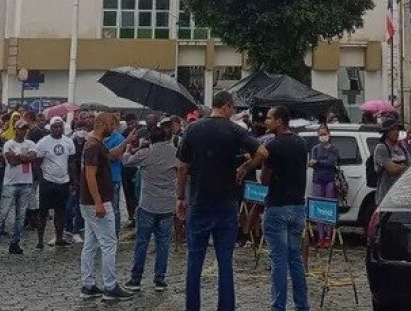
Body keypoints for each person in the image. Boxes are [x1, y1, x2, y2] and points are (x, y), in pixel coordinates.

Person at [176, 91, 260, 311]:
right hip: (226, 202)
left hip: (199, 201)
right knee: (225, 263)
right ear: (227, 106)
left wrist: (180, 197)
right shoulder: (235, 130)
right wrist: (246, 167)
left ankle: (192, 307)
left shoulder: (193, 129)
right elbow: (262, 152)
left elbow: (182, 167)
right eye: (233, 108)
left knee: (194, 262)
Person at [236, 106, 310, 311]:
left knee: (278, 261)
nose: (266, 121)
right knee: (295, 260)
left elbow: (265, 179)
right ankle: (302, 305)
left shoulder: (273, 146)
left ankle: (278, 306)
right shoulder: (301, 143)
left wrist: (250, 168)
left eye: (269, 118)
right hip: (297, 207)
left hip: (277, 206)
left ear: (279, 121)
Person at [78, 112, 135, 302]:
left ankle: (88, 285)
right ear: (102, 124)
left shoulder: (96, 144)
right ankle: (110, 286)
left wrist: (127, 141)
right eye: (112, 124)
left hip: (91, 202)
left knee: (91, 244)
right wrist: (98, 202)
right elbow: (90, 176)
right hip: (98, 202)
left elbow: (111, 156)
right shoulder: (93, 146)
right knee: (109, 244)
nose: (114, 127)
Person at [122, 126, 180, 292]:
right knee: (163, 243)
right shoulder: (174, 152)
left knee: (142, 242)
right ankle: (159, 279)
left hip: (148, 204)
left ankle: (136, 279)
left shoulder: (145, 153)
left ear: (149, 139)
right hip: (167, 204)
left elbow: (126, 161)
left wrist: (128, 150)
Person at [0, 120, 37, 257]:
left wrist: (18, 156)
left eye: (25, 129)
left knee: (21, 216)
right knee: (2, 214)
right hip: (10, 183)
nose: (23, 131)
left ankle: (15, 243)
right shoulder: (9, 144)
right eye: (21, 128)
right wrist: (24, 158)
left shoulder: (30, 143)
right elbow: (11, 161)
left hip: (26, 182)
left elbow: (32, 158)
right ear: (15, 130)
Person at [35, 116, 76, 247]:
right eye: (55, 127)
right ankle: (40, 240)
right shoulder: (43, 143)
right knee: (43, 212)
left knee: (61, 211)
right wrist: (41, 179)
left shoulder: (68, 142)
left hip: (63, 181)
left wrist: (72, 181)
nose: (58, 129)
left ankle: (59, 237)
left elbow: (71, 162)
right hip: (47, 181)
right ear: (51, 128)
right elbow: (37, 163)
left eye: (60, 126)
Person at [307, 124, 340, 248]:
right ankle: (320, 236)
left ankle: (328, 236)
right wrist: (318, 163)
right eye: (320, 134)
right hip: (317, 180)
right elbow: (312, 163)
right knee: (318, 208)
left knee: (329, 208)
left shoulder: (334, 149)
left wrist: (318, 162)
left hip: (329, 180)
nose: (323, 136)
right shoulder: (315, 148)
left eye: (324, 134)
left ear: (329, 134)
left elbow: (331, 163)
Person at [103, 115, 131, 235]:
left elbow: (113, 156)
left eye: (112, 123)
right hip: (101, 177)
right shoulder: (99, 137)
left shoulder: (119, 138)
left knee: (114, 207)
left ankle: (114, 232)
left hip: (113, 176)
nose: (109, 126)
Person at [371, 117, 408, 205]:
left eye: (397, 130)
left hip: (400, 195)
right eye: (393, 130)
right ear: (386, 132)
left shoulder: (401, 148)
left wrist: (398, 166)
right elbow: (391, 170)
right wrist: (403, 167)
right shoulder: (381, 148)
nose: (396, 132)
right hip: (385, 197)